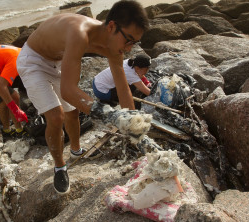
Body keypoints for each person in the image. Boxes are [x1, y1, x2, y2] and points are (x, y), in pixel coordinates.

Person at [16, 0, 150, 194]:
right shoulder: (79, 33)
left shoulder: (114, 49)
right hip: (33, 60)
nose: (129, 48)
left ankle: (76, 150)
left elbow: (123, 88)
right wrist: (111, 116)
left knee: (73, 112)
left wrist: (135, 127)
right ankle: (60, 166)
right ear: (112, 26)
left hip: (60, 58)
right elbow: (68, 91)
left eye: (134, 42)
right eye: (128, 40)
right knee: (56, 116)